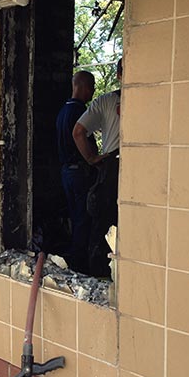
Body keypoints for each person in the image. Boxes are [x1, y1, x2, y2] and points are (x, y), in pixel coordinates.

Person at [73, 58, 122, 277]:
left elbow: (78, 132)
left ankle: (100, 276)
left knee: (103, 225)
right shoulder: (157, 97)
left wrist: (92, 158)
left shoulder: (106, 101)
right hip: (146, 165)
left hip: (113, 165)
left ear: (119, 75)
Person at [56, 71, 105, 273]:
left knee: (76, 218)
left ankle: (75, 262)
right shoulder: (79, 112)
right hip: (79, 173)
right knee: (84, 219)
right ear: (83, 87)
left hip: (67, 172)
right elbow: (79, 135)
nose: (93, 91)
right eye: (92, 87)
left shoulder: (62, 111)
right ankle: (80, 266)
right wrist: (93, 159)